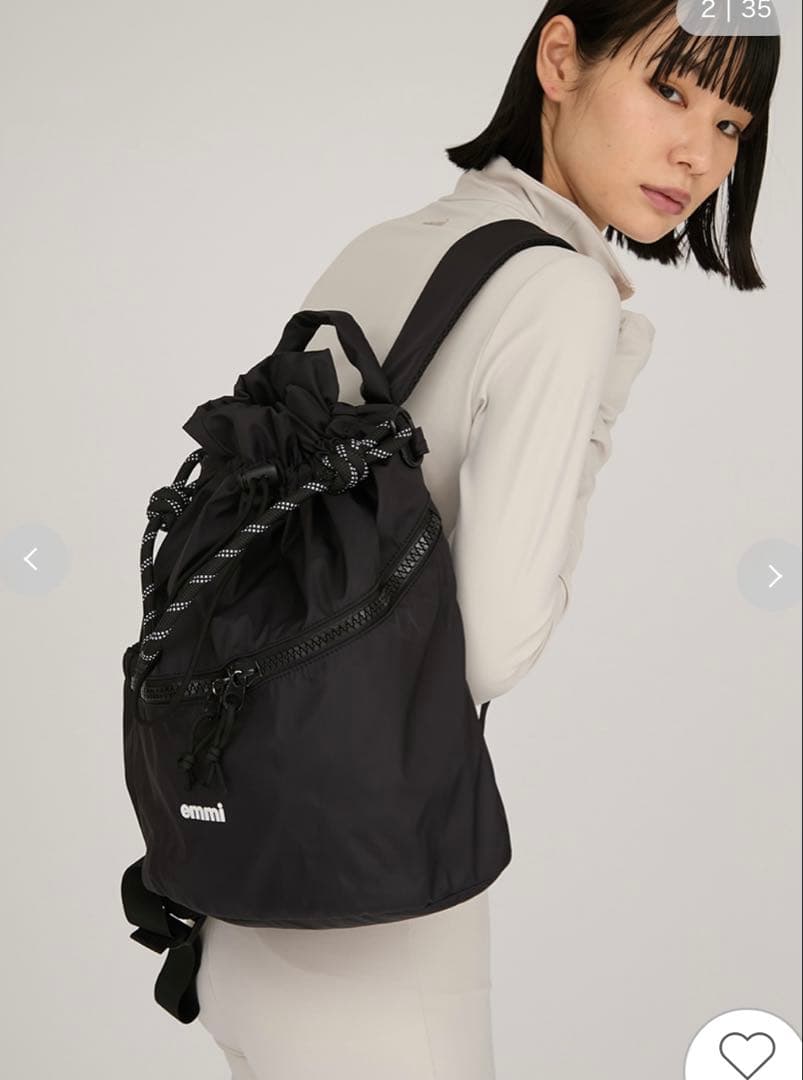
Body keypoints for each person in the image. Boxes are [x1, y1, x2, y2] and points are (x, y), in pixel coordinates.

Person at [195, 3, 779, 1077]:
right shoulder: (558, 292)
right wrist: (597, 408)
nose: (698, 154)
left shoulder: (386, 246)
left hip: (240, 902)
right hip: (379, 939)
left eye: (731, 124)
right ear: (559, 58)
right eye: (669, 89)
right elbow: (491, 649)